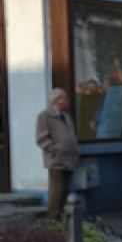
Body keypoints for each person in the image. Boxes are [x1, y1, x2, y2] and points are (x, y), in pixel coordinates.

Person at [35, 88, 81, 220]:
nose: (67, 100)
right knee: (57, 192)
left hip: (70, 160)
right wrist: (56, 150)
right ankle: (52, 221)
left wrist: (76, 150)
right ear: (57, 99)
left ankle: (60, 220)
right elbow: (41, 139)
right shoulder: (44, 116)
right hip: (56, 161)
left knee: (65, 192)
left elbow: (71, 135)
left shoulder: (66, 116)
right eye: (65, 98)